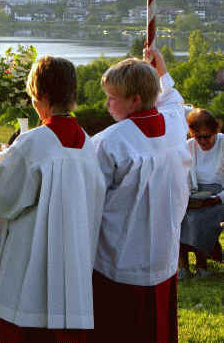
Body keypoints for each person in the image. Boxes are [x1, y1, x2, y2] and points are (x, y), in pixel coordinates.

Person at [0, 56, 106, 342]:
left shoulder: (34, 142)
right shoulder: (86, 142)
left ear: (43, 96)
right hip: (73, 258)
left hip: (30, 258)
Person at [90, 48, 191, 343]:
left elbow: (91, 201)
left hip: (119, 260)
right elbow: (174, 101)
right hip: (163, 254)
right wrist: (162, 72)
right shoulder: (174, 123)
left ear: (134, 100)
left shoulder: (109, 143)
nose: (107, 103)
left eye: (112, 97)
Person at [179, 108, 224, 278]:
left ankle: (201, 265)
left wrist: (216, 198)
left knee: (198, 219)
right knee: (178, 216)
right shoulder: (188, 147)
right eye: (199, 137)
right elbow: (184, 178)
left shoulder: (223, 144)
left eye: (207, 136)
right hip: (196, 195)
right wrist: (186, 196)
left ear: (215, 131)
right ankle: (183, 267)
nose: (203, 141)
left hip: (219, 196)